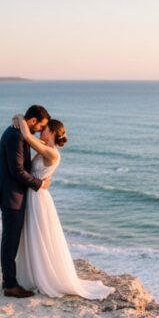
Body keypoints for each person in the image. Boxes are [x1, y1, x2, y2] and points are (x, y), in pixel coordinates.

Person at [10, 113, 115, 300]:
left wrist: (19, 118)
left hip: (38, 197)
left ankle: (46, 277)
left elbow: (26, 136)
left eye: (44, 128)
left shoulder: (52, 153)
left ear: (52, 132)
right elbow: (30, 140)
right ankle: (35, 274)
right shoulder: (46, 147)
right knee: (35, 236)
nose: (41, 130)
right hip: (35, 194)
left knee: (40, 235)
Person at [0, 105, 51, 298]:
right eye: (41, 126)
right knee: (11, 241)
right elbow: (17, 171)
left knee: (10, 239)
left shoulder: (18, 132)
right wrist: (39, 184)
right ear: (32, 121)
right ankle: (10, 285)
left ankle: (8, 279)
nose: (41, 130)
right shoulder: (16, 136)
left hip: (11, 192)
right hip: (11, 195)